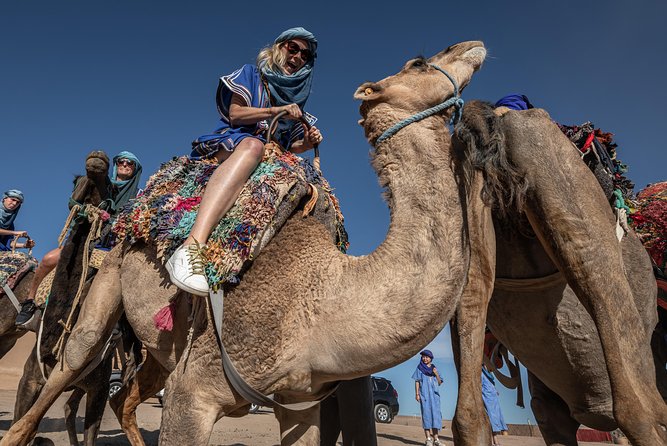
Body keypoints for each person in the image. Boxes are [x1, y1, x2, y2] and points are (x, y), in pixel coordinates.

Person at [165, 27, 324, 297]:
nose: (298, 57)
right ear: (279, 48)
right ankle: (191, 246)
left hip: (265, 154)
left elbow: (288, 146)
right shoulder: (252, 75)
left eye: (305, 55)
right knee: (254, 145)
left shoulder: (297, 105)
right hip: (237, 142)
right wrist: (275, 110)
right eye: (292, 48)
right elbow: (236, 114)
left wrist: (308, 142)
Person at [15, 151, 142, 327]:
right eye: (121, 161)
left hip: (112, 246)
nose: (125, 165)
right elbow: (75, 203)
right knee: (47, 260)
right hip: (83, 237)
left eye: (130, 163)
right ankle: (29, 302)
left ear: (136, 169)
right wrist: (90, 212)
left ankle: (118, 325)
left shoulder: (139, 195)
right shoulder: (99, 184)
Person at [412, 349, 444, 446]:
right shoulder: (419, 368)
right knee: (426, 417)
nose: (425, 358)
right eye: (423, 357)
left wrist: (436, 374)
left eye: (427, 357)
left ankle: (436, 439)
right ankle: (428, 439)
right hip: (424, 395)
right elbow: (417, 381)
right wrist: (417, 394)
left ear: (431, 358)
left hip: (434, 397)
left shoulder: (435, 368)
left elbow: (440, 382)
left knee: (436, 417)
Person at [481, 364, 508, 446]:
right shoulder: (481, 373)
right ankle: (494, 441)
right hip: (487, 399)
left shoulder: (488, 373)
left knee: (496, 418)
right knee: (491, 419)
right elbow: (480, 385)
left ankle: (495, 441)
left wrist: (495, 390)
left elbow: (490, 384)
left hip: (493, 399)